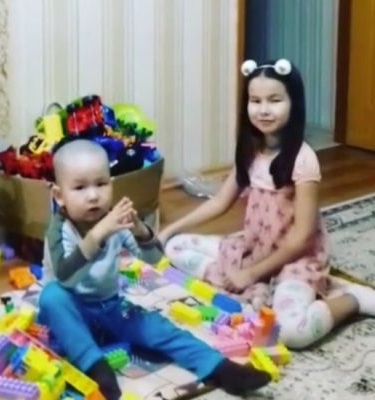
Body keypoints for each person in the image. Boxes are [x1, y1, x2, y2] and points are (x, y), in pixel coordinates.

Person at [160, 59, 375, 350]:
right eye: (255, 100)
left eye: (274, 100)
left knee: (290, 333)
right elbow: (221, 202)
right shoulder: (250, 151)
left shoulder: (303, 159)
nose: (263, 110)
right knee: (175, 246)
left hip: (295, 258)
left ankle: (352, 299)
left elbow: (302, 238)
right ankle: (244, 280)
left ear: (293, 103)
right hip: (256, 247)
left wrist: (250, 274)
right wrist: (169, 230)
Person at [38, 139, 270, 400]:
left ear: (111, 185)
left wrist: (141, 231)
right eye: (80, 187)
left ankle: (219, 368)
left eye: (101, 184)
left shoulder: (114, 220)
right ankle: (95, 367)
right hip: (73, 314)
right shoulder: (60, 230)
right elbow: (67, 276)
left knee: (158, 327)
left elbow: (155, 260)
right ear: (59, 195)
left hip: (109, 307)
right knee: (52, 296)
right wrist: (98, 235)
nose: (93, 195)